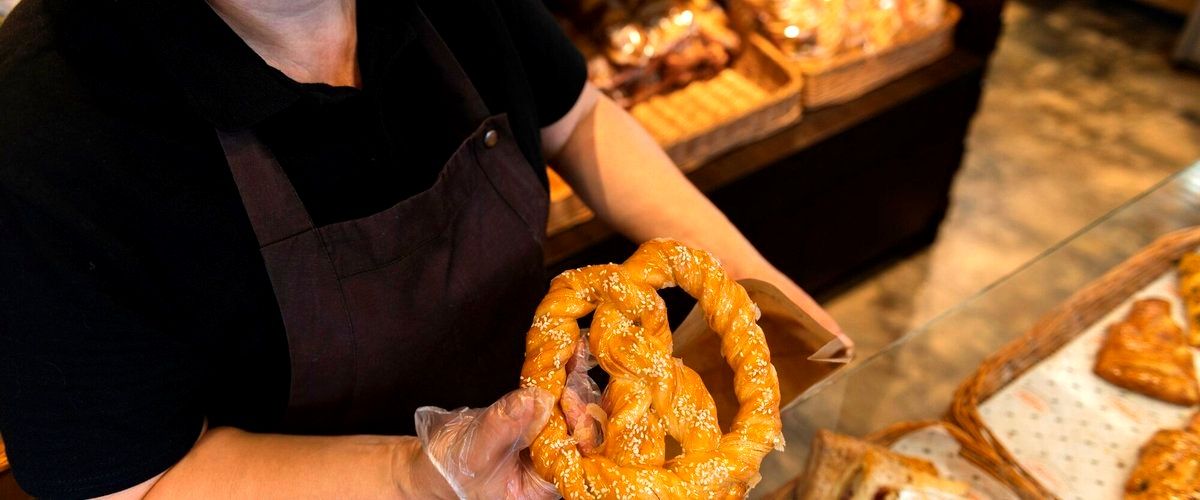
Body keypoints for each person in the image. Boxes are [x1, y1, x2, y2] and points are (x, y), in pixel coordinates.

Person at [0, 0, 847, 497]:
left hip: (554, 454)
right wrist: (423, 472)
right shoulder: (46, 136)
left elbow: (577, 115)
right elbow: (133, 485)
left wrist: (757, 287)